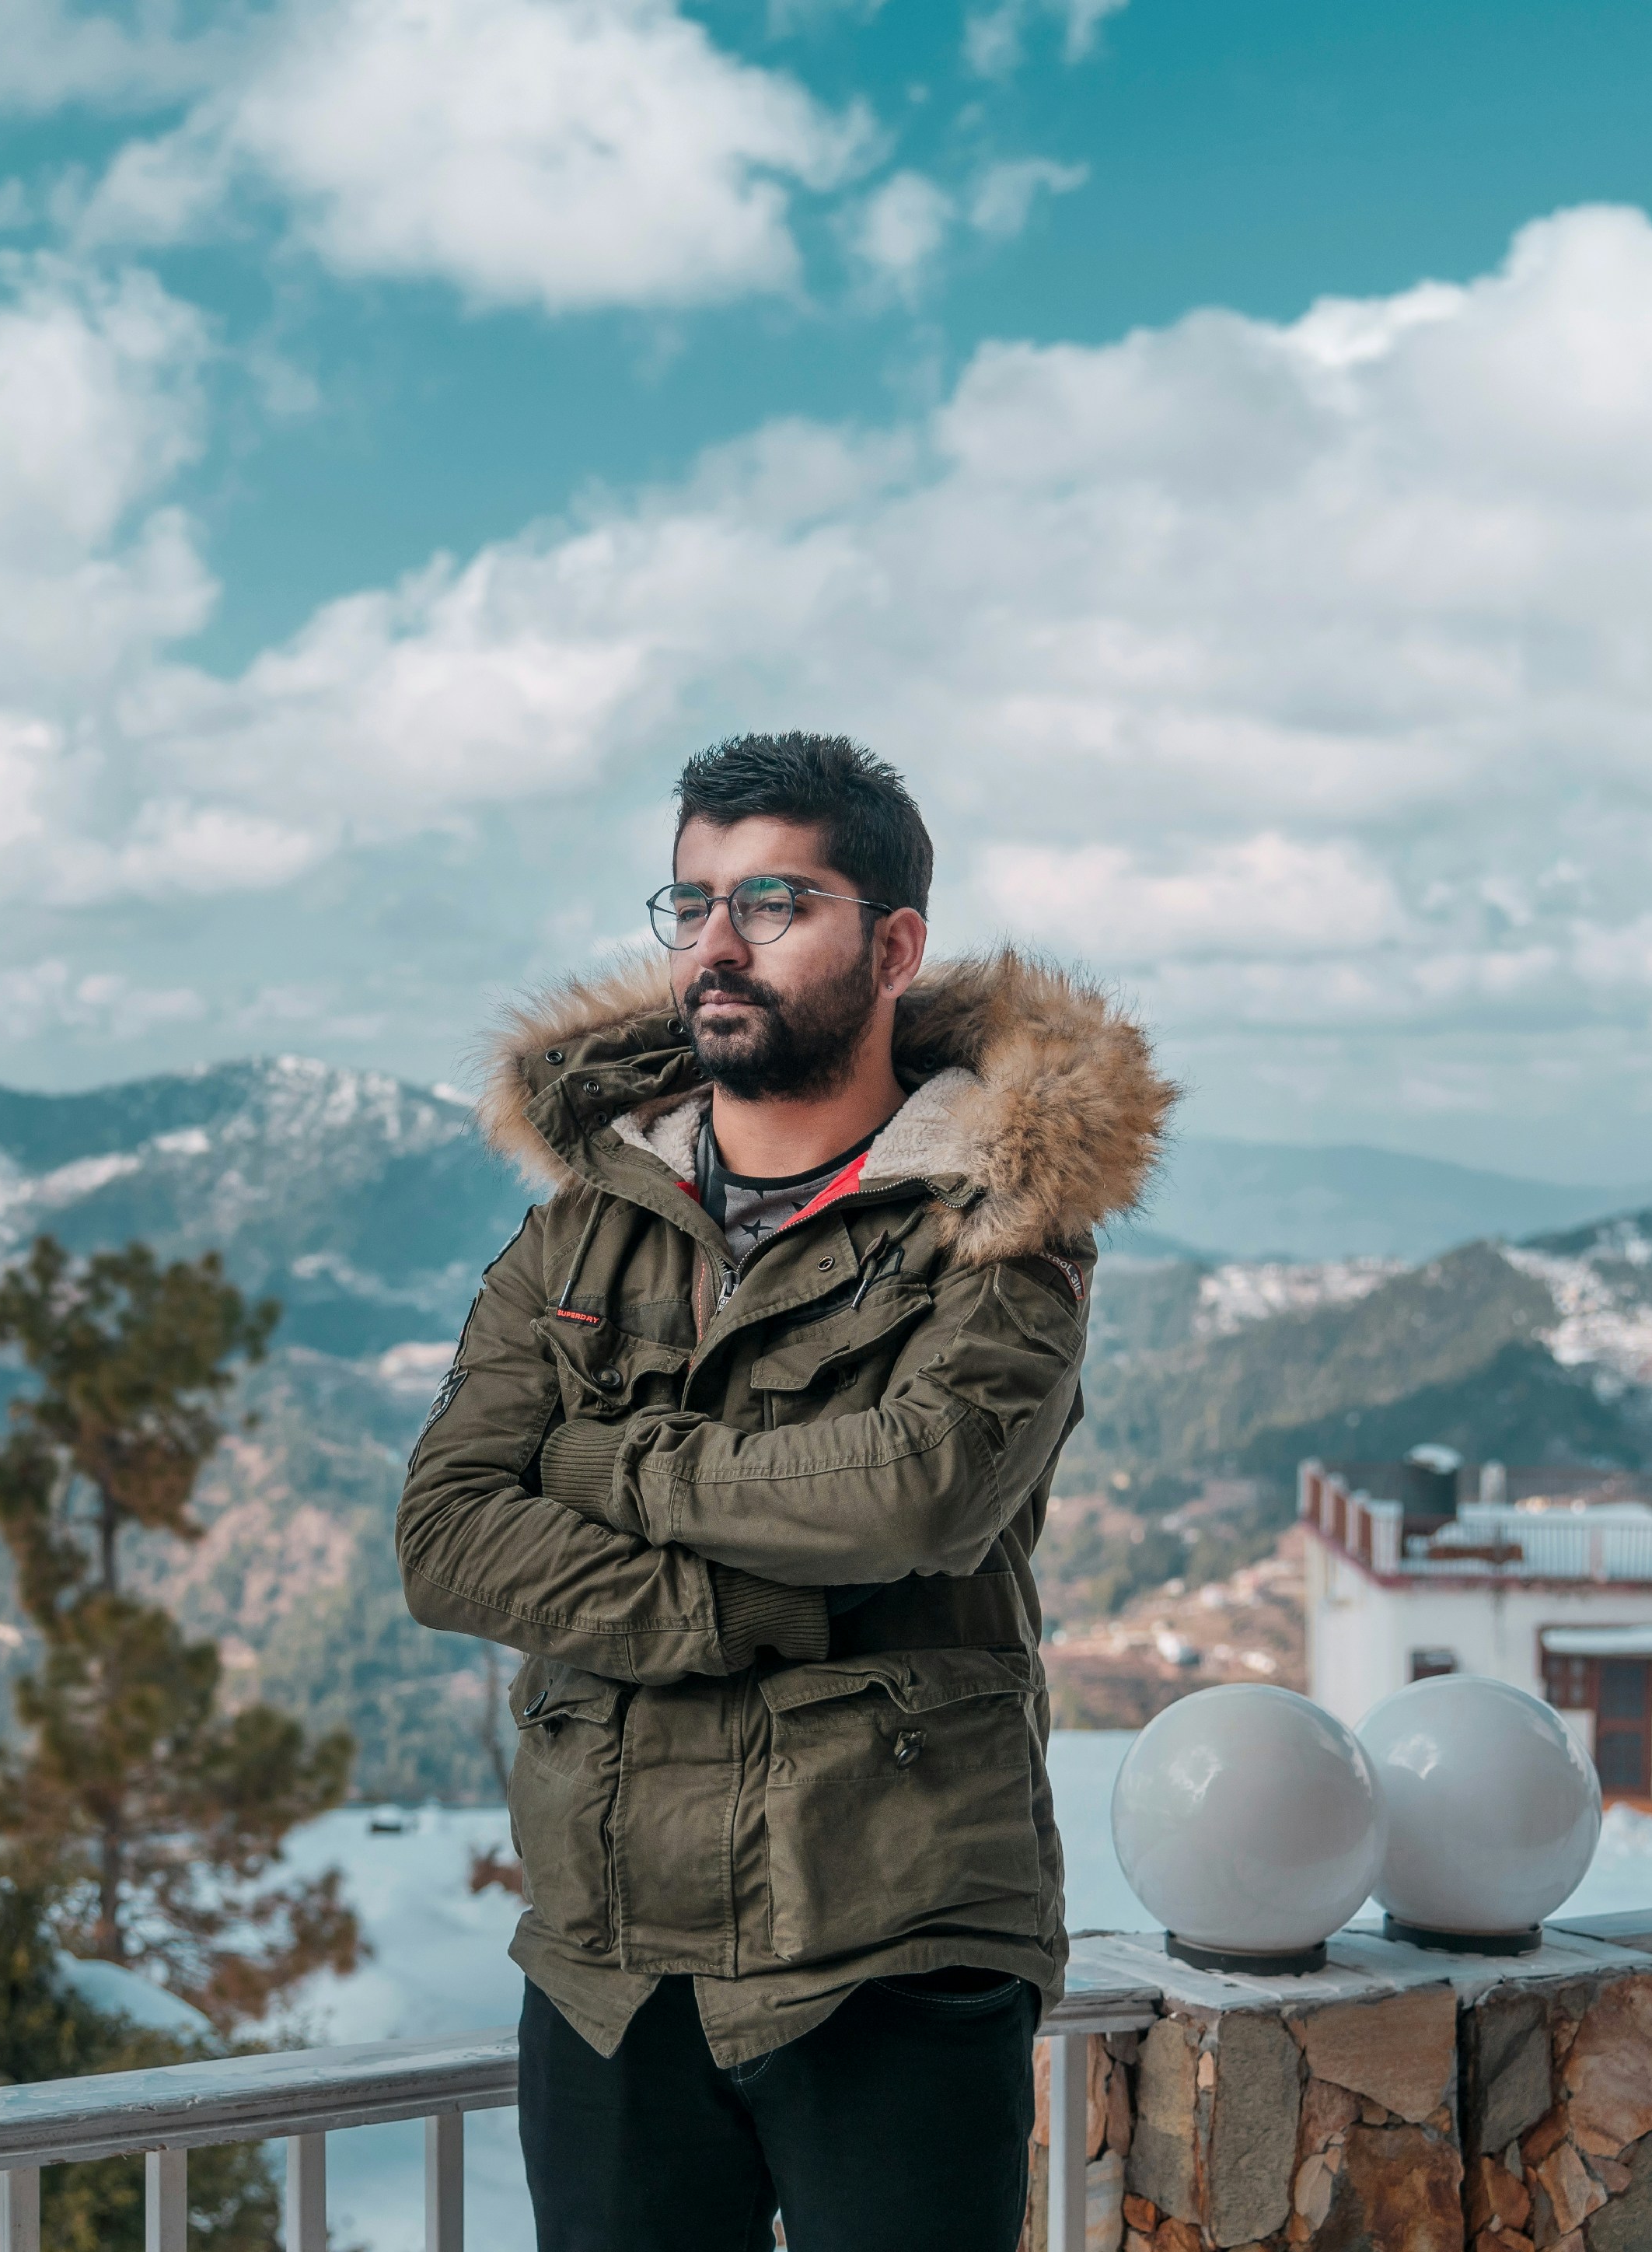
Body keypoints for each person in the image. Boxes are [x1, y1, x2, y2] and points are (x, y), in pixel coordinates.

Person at [398, 733, 1172, 2252]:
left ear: (894, 943)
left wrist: (606, 1461)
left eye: (772, 901)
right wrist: (732, 1596)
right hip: (610, 1963)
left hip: (890, 1938)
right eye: (690, 904)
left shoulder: (1000, 1214)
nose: (715, 946)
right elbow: (446, 1533)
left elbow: (916, 1492)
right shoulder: (581, 1228)